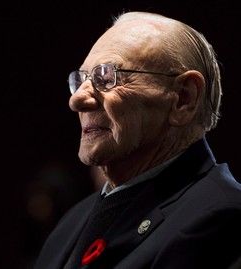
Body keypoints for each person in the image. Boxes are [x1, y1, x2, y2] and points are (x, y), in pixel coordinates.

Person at [33, 11, 241, 269]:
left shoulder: (224, 219)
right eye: (82, 80)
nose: (77, 100)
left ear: (183, 98)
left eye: (106, 77)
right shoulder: (72, 222)